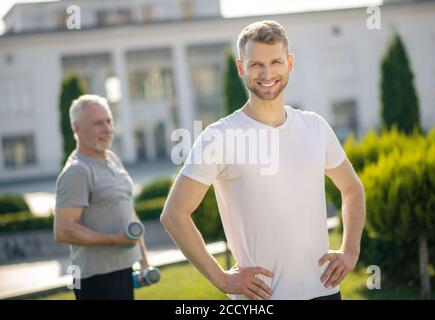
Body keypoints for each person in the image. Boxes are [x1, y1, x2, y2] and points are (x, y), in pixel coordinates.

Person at [161, 20, 366, 300]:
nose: (267, 73)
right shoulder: (219, 136)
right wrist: (221, 278)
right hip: (262, 298)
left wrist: (350, 251)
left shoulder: (314, 126)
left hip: (325, 292)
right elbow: (174, 215)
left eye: (275, 62)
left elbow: (352, 189)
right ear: (241, 67)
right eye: (256, 64)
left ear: (289, 63)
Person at [54, 94, 150, 300]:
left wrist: (144, 261)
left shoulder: (113, 159)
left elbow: (128, 209)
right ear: (76, 128)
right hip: (95, 279)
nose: (107, 129)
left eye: (109, 121)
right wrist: (116, 240)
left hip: (123, 269)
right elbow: (63, 230)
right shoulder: (77, 171)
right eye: (98, 123)